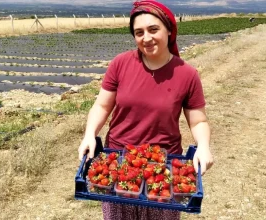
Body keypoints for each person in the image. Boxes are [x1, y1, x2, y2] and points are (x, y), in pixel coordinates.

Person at [78, 0, 213, 219]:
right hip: (119, 162)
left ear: (169, 30)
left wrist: (204, 146)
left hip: (163, 166)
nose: (146, 38)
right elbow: (102, 105)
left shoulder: (186, 74)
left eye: (153, 29)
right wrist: (89, 134)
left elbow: (198, 121)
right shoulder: (121, 63)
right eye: (139, 32)